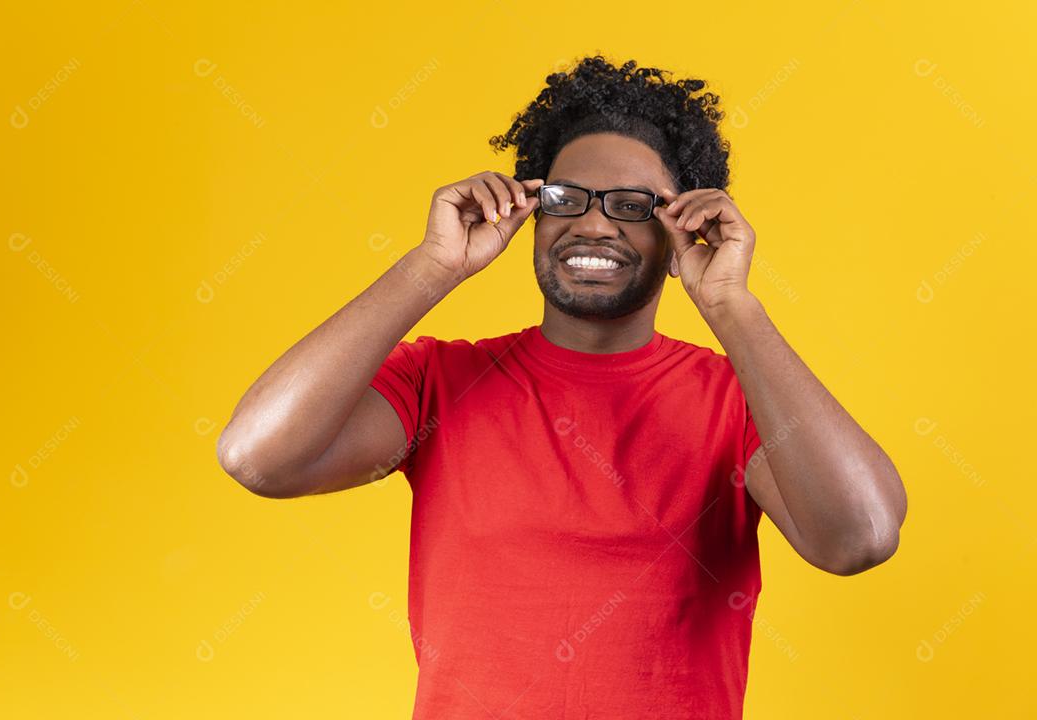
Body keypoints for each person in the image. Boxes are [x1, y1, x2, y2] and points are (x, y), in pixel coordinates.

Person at [216, 54, 907, 720]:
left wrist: (732, 305)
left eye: (634, 205)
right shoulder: (440, 381)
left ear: (681, 231)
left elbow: (861, 536)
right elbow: (258, 456)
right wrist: (431, 268)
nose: (595, 223)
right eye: (564, 197)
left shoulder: (738, 400)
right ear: (530, 214)